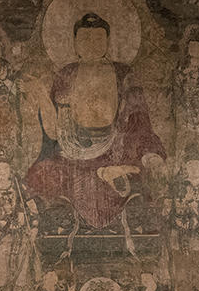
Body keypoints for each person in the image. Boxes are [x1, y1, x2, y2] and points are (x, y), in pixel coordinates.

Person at [25, 12, 165, 230]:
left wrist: (150, 153)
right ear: (75, 43)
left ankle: (118, 174)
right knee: (42, 175)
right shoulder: (67, 74)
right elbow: (54, 134)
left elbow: (140, 123)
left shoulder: (123, 73)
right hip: (73, 153)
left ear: (108, 41)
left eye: (98, 38)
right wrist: (42, 95)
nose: (91, 44)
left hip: (116, 151)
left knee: (145, 176)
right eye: (85, 39)